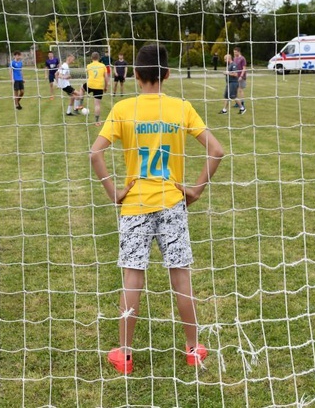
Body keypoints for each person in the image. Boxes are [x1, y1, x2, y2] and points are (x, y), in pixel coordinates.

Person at [89, 43, 225, 375]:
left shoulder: (123, 109)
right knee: (181, 278)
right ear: (167, 74)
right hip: (171, 204)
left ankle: (125, 355)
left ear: (135, 75)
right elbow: (217, 151)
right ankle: (193, 350)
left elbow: (95, 153)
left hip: (134, 205)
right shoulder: (181, 108)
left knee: (132, 279)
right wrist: (196, 189)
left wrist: (114, 193)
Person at [82, 51, 108, 125]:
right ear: (99, 58)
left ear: (91, 58)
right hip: (99, 86)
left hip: (90, 85)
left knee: (81, 88)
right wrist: (105, 87)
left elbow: (87, 72)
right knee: (97, 105)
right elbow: (106, 77)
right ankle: (97, 121)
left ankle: (80, 102)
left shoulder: (88, 66)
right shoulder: (103, 66)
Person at [233, 47, 247, 113]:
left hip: (241, 77)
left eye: (235, 52)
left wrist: (241, 76)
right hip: (235, 76)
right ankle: (237, 103)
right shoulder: (235, 58)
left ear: (239, 52)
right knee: (235, 90)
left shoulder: (242, 58)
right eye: (234, 52)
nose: (235, 53)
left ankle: (242, 103)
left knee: (240, 90)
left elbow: (244, 68)